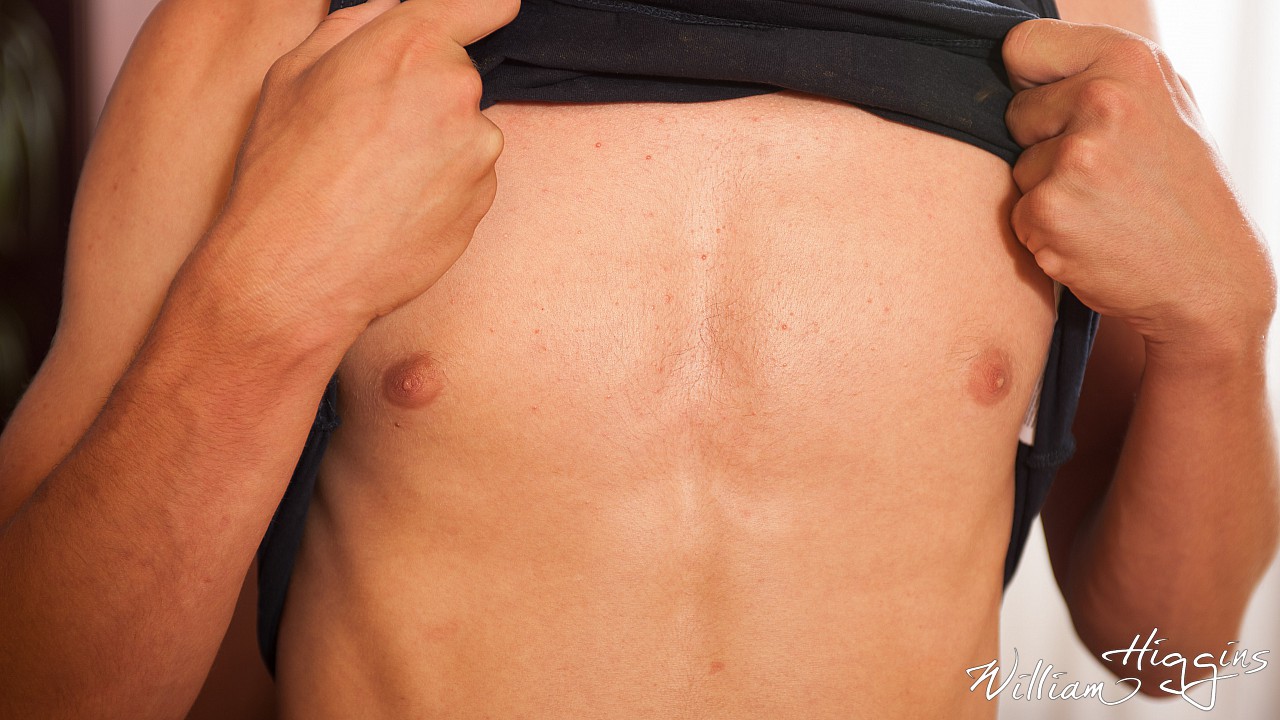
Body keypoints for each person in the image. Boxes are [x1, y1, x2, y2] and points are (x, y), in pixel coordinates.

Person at [0, 0, 1275, 717]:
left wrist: (1221, 329)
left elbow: (1165, 647)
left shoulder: (1076, 27)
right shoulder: (261, 25)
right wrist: (258, 311)